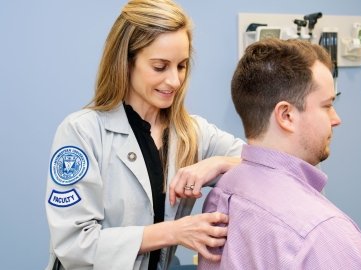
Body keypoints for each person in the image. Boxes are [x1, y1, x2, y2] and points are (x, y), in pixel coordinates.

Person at [44, 0, 244, 269]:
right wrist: (175, 232)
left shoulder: (193, 133)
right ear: (126, 62)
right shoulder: (82, 132)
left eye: (182, 66)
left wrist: (219, 163)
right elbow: (75, 245)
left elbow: (274, 165)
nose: (174, 80)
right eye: (160, 67)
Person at [198, 38, 361, 269]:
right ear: (286, 115)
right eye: (327, 105)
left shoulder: (224, 193)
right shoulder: (322, 234)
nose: (336, 119)